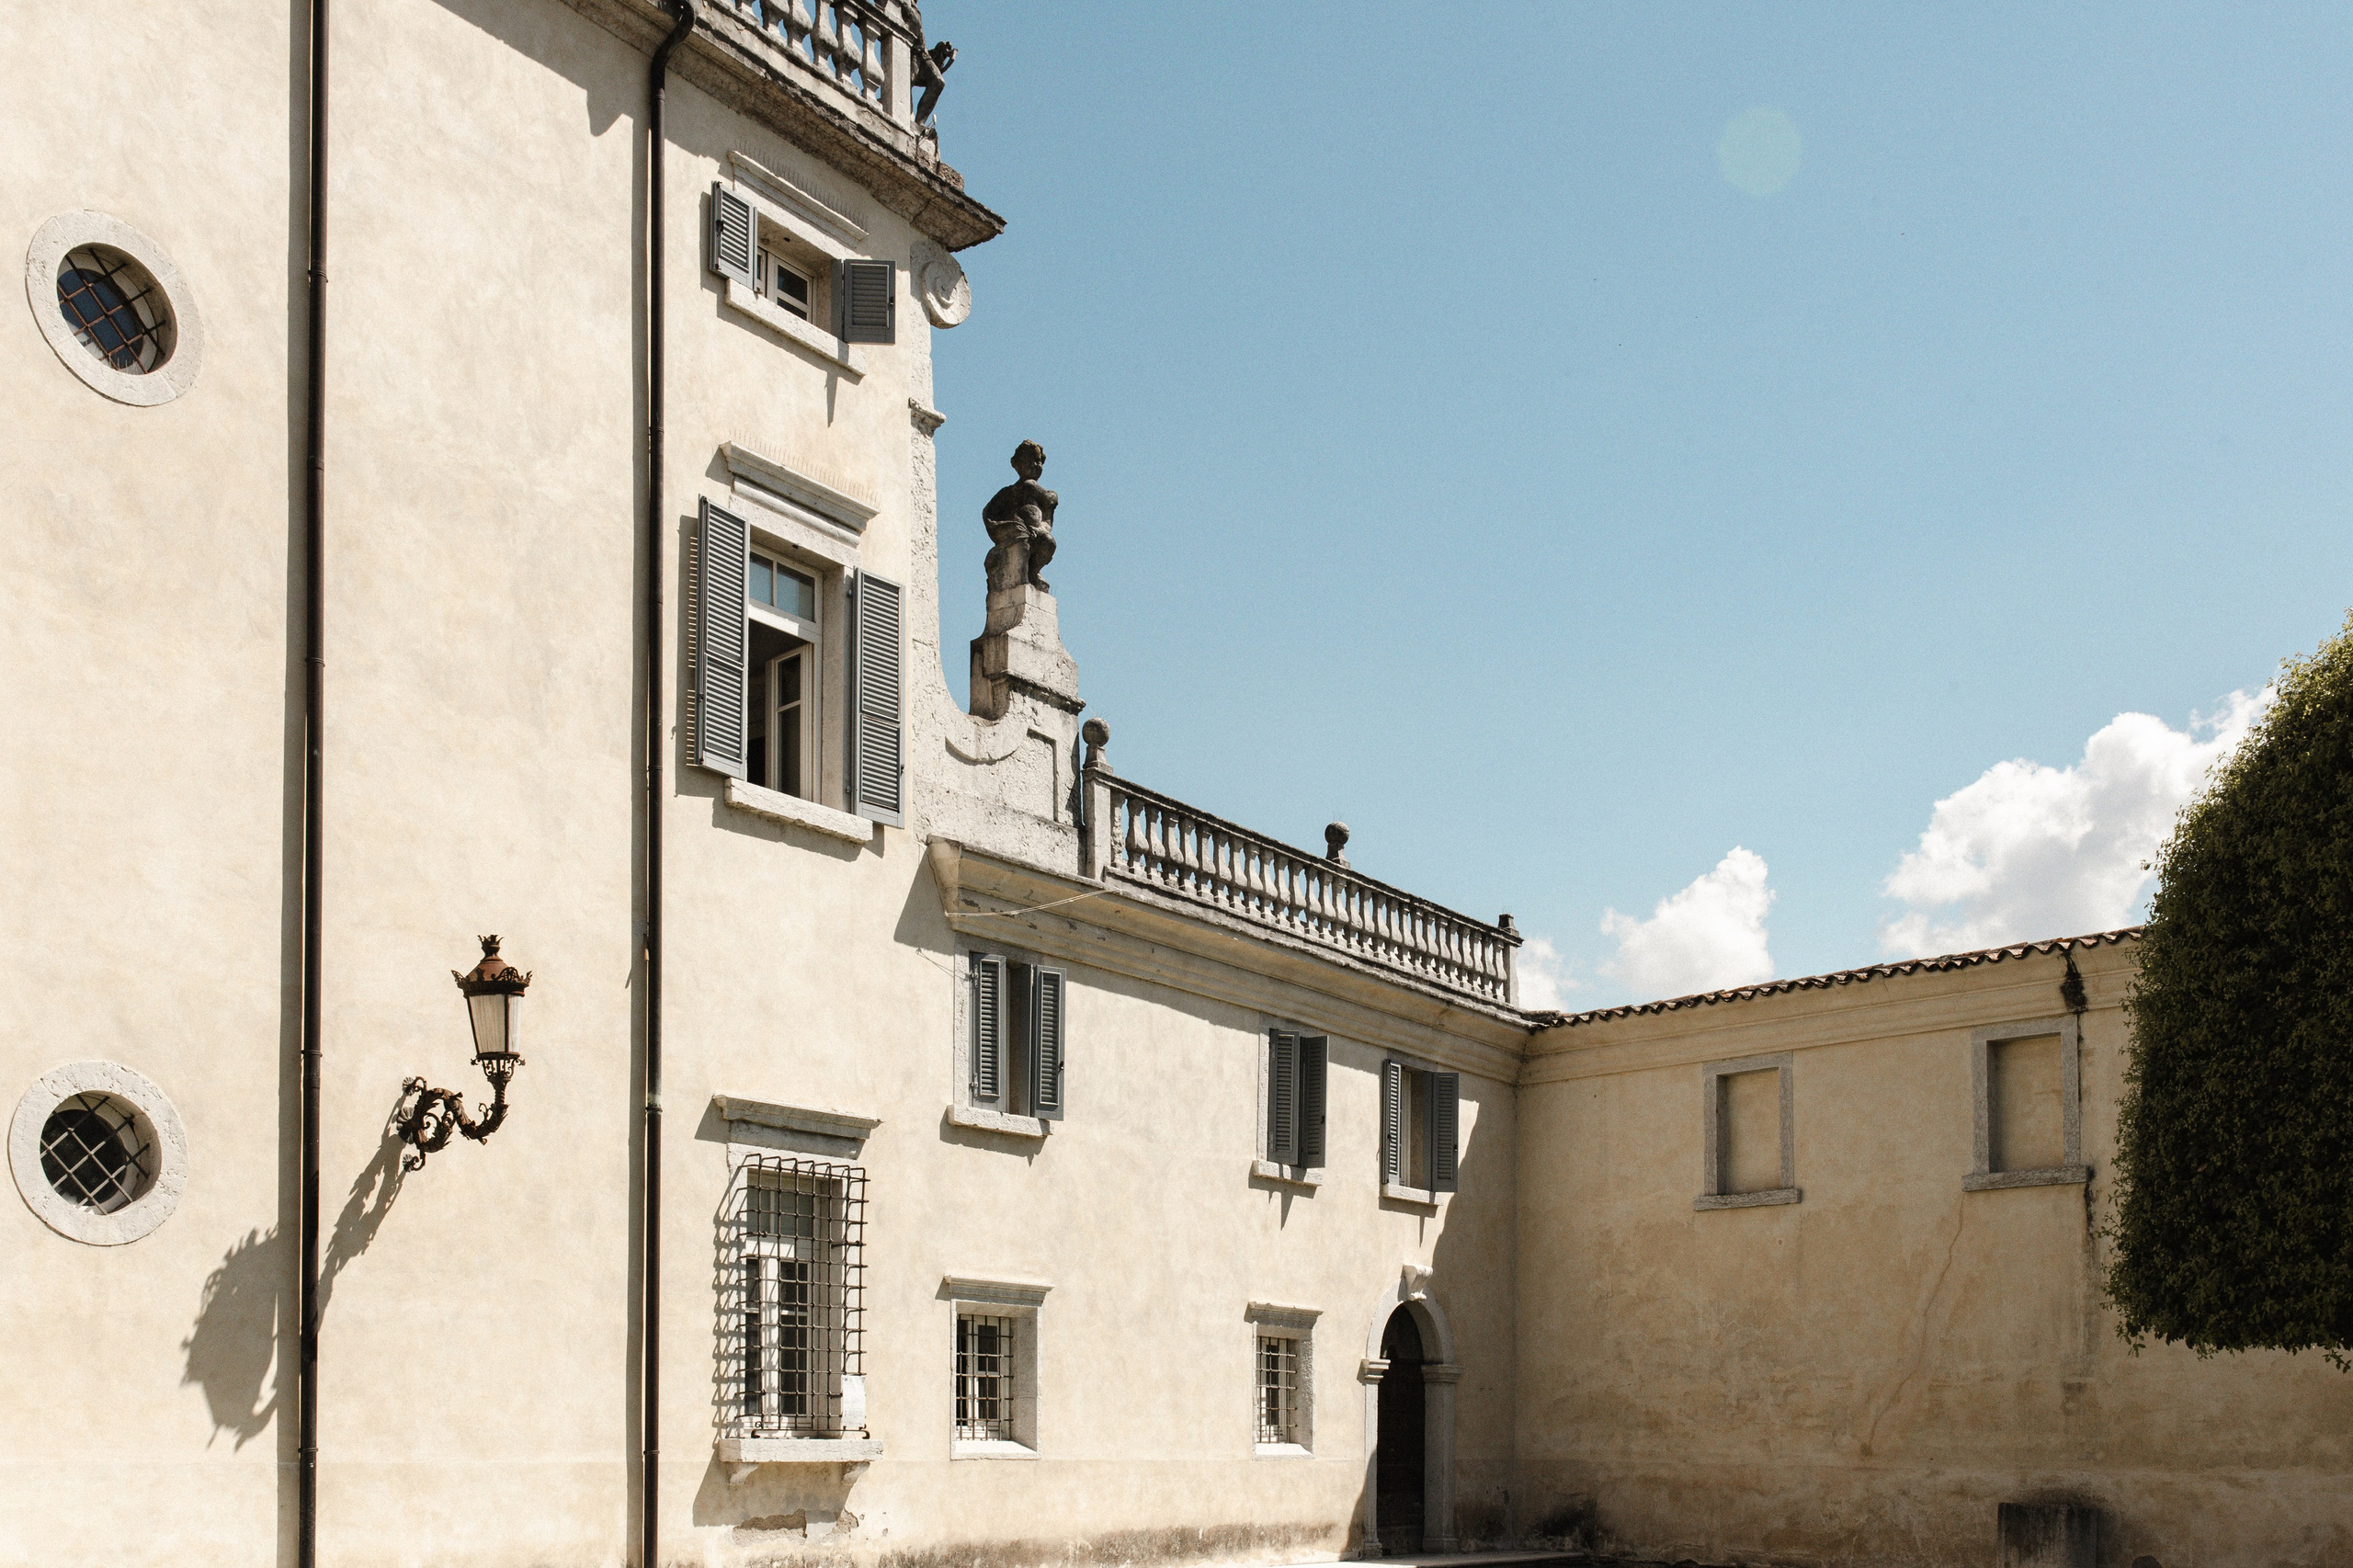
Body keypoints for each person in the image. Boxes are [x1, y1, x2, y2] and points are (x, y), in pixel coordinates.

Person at [982, 439, 1057, 590]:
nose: (1034, 465)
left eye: (1038, 461)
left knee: (1049, 542)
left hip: (1035, 532)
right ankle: (1022, 578)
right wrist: (1009, 527)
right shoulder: (1008, 493)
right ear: (1017, 465)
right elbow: (989, 515)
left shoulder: (1046, 497)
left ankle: (1033, 572)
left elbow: (1047, 521)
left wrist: (1040, 529)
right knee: (1022, 537)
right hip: (1013, 530)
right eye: (1028, 461)